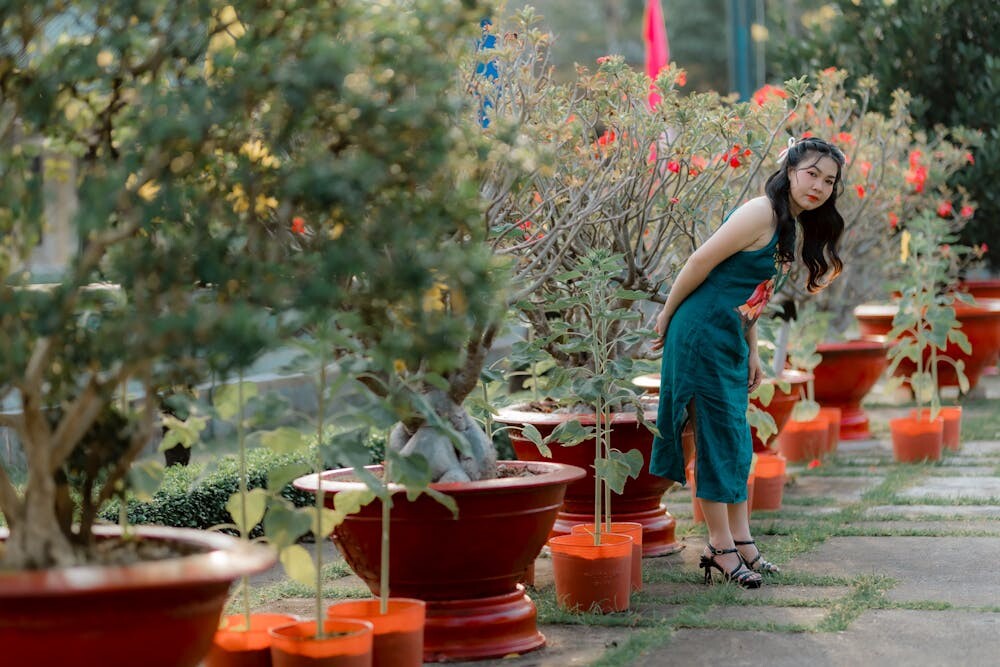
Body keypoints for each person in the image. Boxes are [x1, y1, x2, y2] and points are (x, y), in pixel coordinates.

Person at [650, 137, 846, 588]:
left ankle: (743, 542)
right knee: (719, 439)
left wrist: (752, 348)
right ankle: (720, 548)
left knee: (736, 441)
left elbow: (752, 292)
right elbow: (700, 261)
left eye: (828, 181)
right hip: (701, 333)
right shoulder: (761, 212)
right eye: (811, 173)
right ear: (790, 170)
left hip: (729, 335)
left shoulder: (788, 223)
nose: (818, 186)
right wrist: (666, 314)